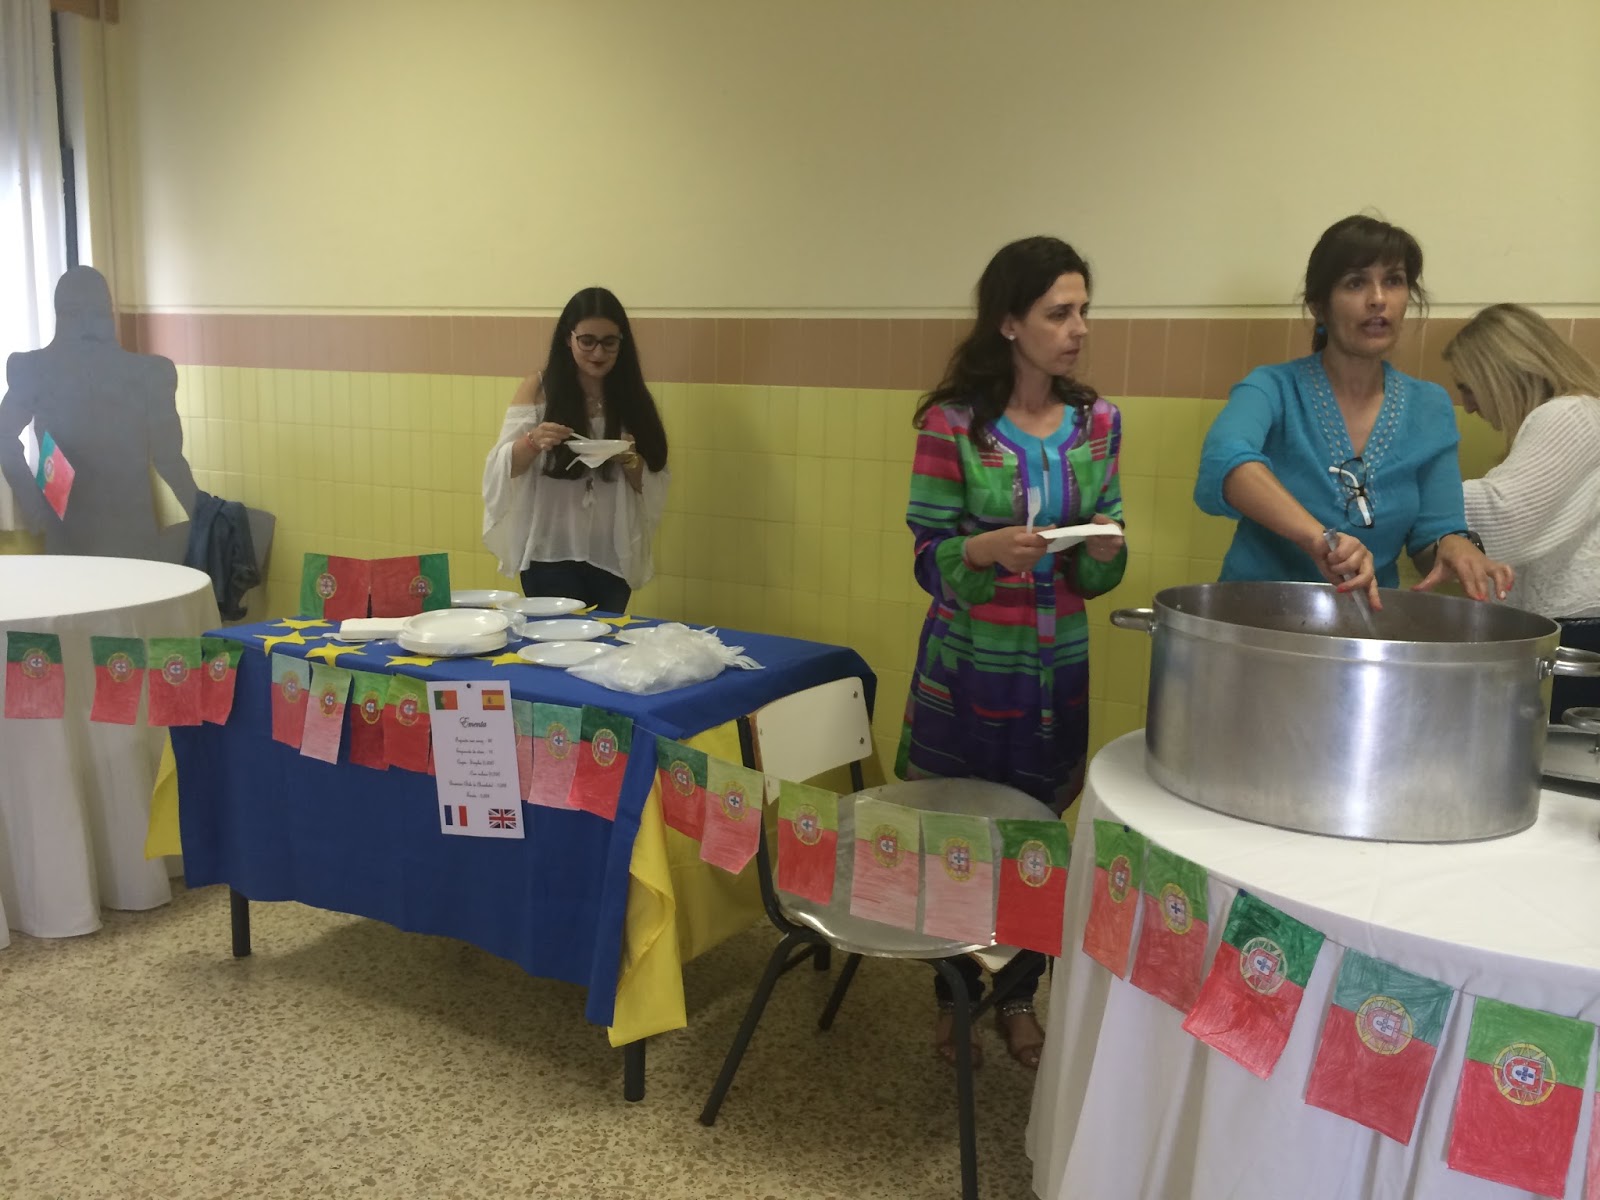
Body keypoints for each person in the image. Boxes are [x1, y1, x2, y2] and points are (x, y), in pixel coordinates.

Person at [897, 236, 1127, 1070]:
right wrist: (984, 550)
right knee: (957, 837)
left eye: (1083, 312)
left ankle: (1020, 994)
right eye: (1058, 313)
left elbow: (1101, 564)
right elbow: (929, 557)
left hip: (1052, 672)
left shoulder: (1099, 424)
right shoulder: (952, 426)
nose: (1078, 330)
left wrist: (1104, 549)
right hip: (967, 669)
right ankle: (954, 995)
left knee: (1035, 841)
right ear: (1008, 323)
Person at [1195, 215, 1513, 608]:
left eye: (1393, 280)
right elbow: (1225, 461)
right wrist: (1320, 540)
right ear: (1319, 307)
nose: (1378, 299)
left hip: (1363, 624)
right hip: (1253, 616)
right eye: (1355, 283)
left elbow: (1433, 532)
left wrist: (1453, 546)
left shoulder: (1430, 406)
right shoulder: (1270, 388)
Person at [1443, 303, 1600, 716]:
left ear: (1501, 375)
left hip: (1580, 634)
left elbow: (1505, 516)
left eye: (1469, 388)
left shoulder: (1568, 414)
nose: (1468, 406)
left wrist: (1406, 496)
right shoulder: (1576, 414)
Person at [482, 287, 669, 612]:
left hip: (610, 555)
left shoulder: (632, 397)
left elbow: (654, 481)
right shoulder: (540, 388)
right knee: (555, 638)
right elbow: (502, 466)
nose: (598, 353)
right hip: (548, 552)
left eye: (609, 342)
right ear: (568, 338)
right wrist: (533, 441)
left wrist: (629, 458)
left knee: (605, 639)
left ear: (622, 343)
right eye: (587, 341)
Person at [0, 266, 197, 561]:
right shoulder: (149, 374)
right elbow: (169, 459)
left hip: (78, 523)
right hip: (119, 525)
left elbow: (4, 438)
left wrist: (37, 510)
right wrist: (204, 514)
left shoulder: (35, 370)